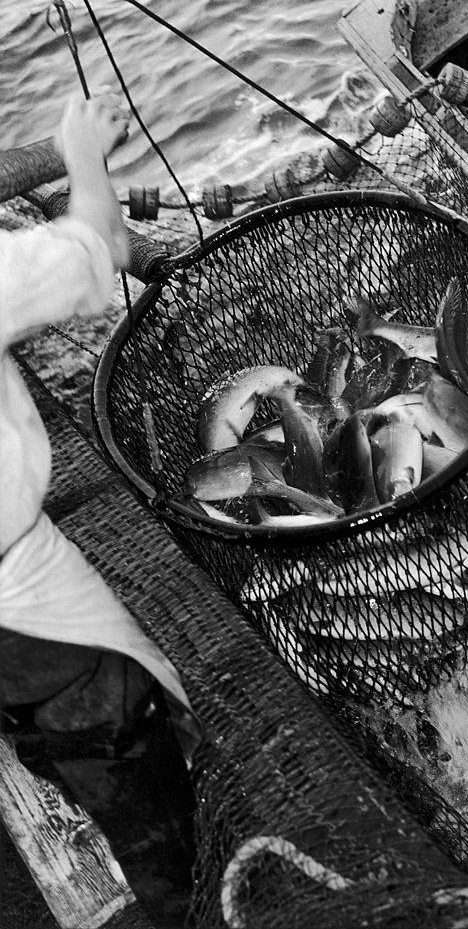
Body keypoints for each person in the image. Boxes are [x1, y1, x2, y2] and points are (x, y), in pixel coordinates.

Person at [0, 90, 191, 754]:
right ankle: (161, 833)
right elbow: (103, 248)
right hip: (18, 593)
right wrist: (83, 156)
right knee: (119, 715)